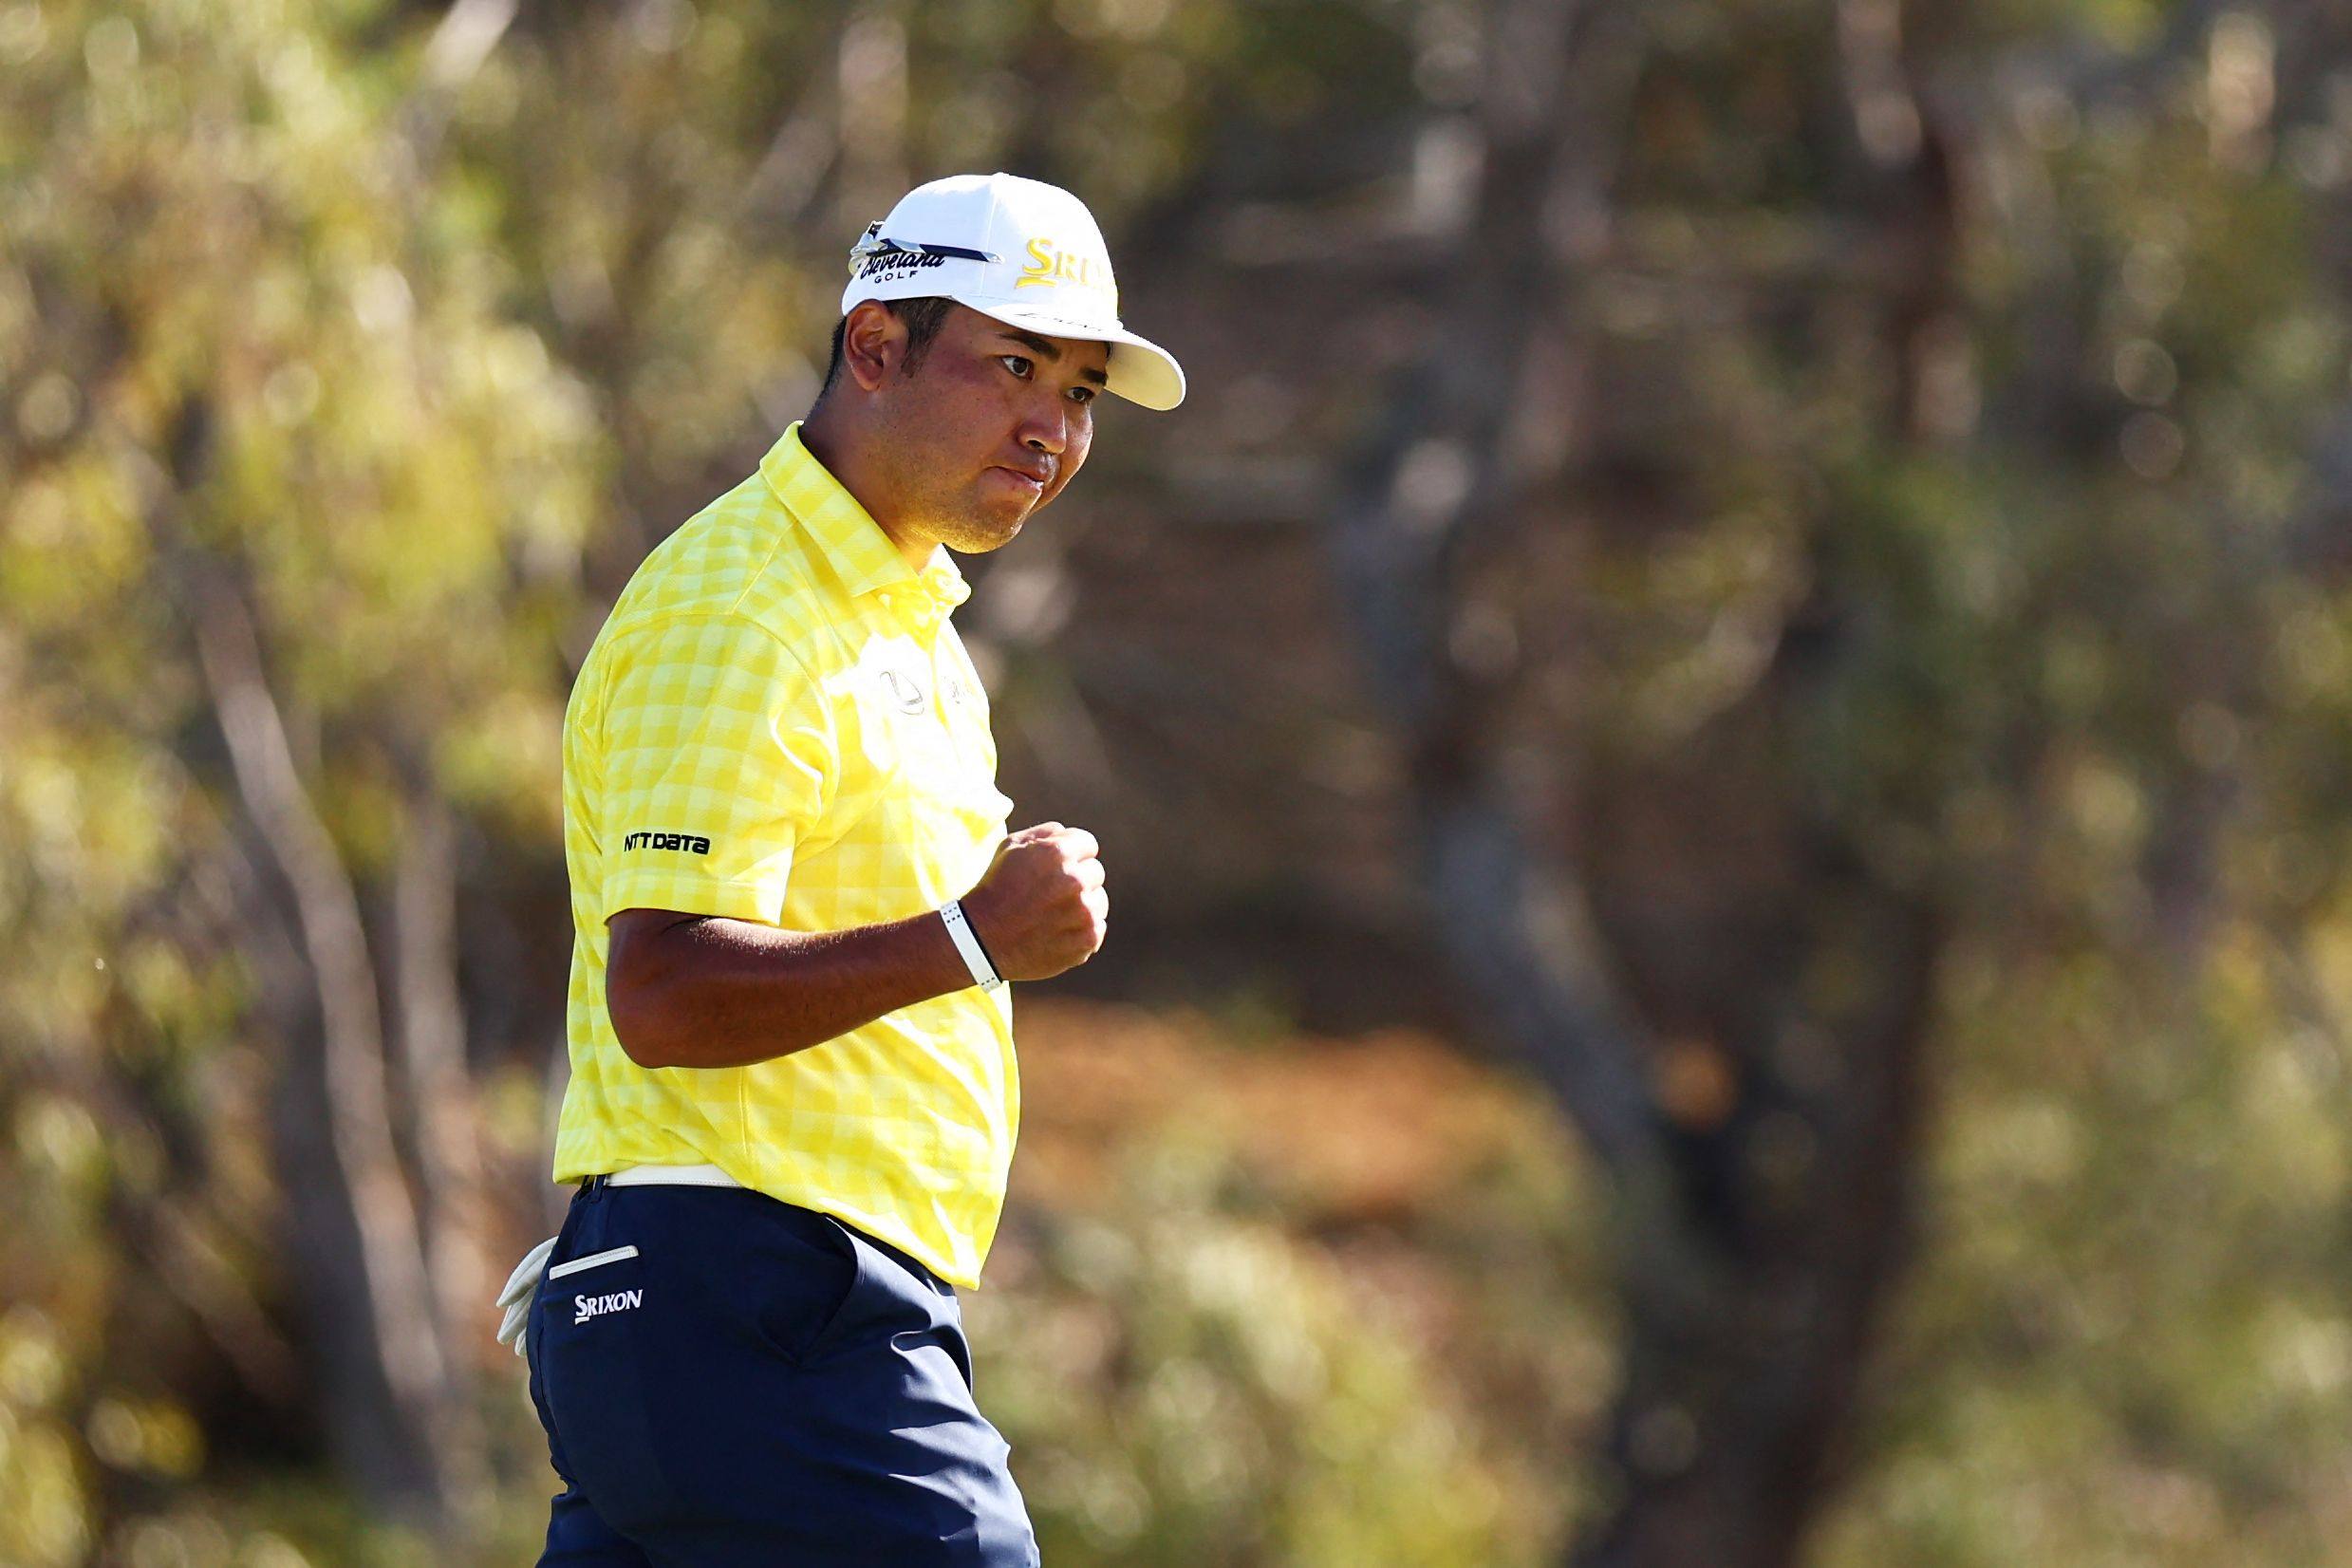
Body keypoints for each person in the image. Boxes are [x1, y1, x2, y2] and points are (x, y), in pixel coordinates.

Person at [497, 172, 1185, 1566]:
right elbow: (667, 996)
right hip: (753, 1296)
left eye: (1081, 391)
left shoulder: (904, 627)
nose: (1050, 424)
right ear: (875, 347)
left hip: (763, 1305)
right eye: (1012, 365)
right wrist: (976, 936)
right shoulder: (742, 604)